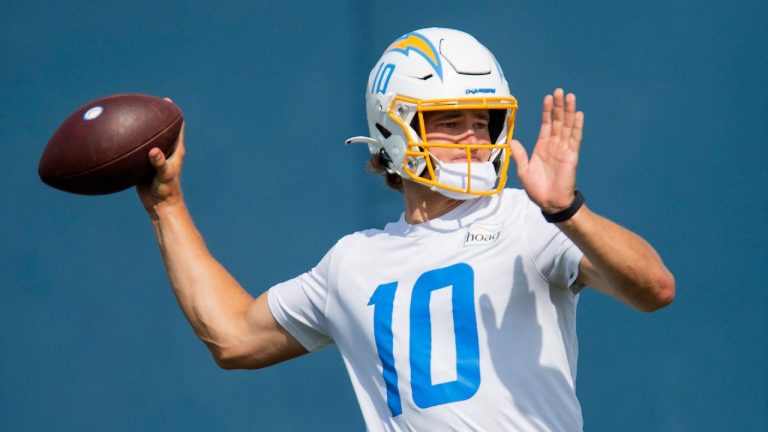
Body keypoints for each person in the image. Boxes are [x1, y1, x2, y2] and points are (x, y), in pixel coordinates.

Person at [138, 28, 674, 432]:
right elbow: (232, 336)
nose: (473, 137)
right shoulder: (353, 263)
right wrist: (167, 204)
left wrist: (567, 210)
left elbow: (653, 289)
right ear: (390, 128)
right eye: (448, 120)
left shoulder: (527, 220)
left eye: (483, 120)